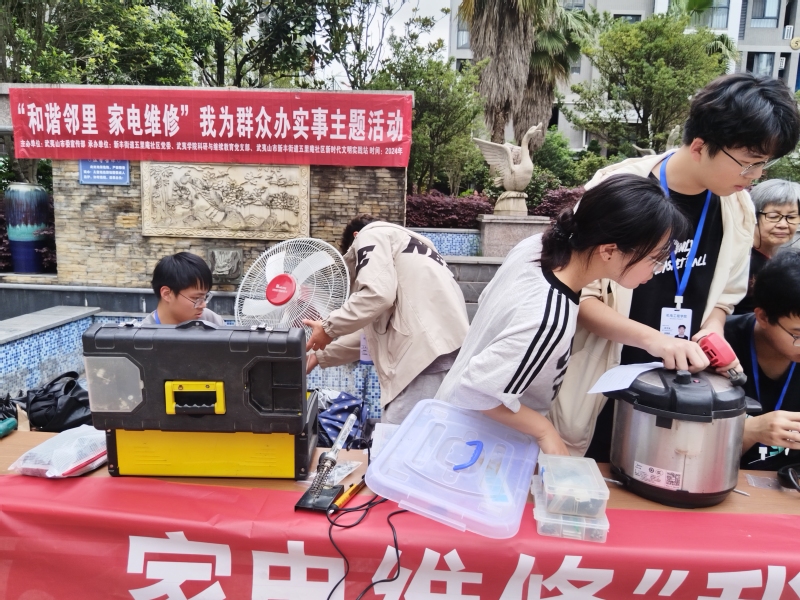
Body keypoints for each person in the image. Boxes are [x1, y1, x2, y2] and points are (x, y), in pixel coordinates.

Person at [549, 72, 800, 458]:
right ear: (700, 146)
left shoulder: (737, 208)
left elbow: (724, 299)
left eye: (762, 165)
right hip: (603, 382)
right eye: (747, 164)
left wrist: (712, 330)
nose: (754, 177)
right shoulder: (618, 189)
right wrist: (656, 340)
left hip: (681, 391)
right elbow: (578, 296)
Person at [435, 175, 689, 455]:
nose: (657, 269)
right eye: (655, 258)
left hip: (454, 422)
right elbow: (476, 391)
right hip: (469, 444)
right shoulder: (548, 319)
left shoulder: (535, 248)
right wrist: (544, 430)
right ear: (609, 251)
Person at [304, 215, 469, 424]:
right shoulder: (413, 248)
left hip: (423, 360)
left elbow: (377, 295)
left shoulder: (371, 235)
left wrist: (328, 327)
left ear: (356, 237)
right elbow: (369, 335)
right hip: (449, 354)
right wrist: (320, 356)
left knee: (395, 439)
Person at [725, 251, 800, 470]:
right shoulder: (720, 346)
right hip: (724, 482)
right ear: (763, 317)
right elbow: (687, 451)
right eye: (798, 335)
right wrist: (749, 430)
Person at [734, 179, 800, 314]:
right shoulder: (738, 259)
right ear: (753, 215)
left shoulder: (783, 261)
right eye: (773, 216)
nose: (783, 224)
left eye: (792, 217)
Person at [141, 252, 225, 326]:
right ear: (167, 294)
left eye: (204, 297)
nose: (203, 305)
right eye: (196, 298)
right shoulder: (142, 335)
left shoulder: (213, 323)